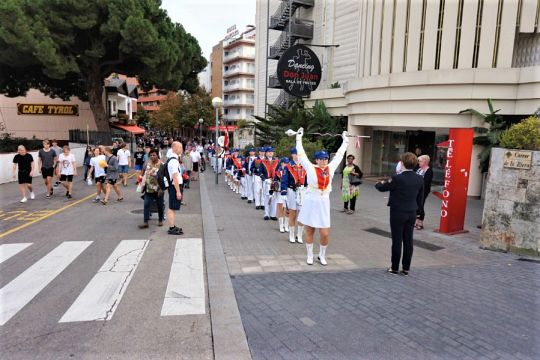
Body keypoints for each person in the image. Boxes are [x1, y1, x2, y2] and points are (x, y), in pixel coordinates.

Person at [295, 128, 348, 265]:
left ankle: (322, 255)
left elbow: (340, 155)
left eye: (325, 159)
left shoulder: (330, 167)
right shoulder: (310, 167)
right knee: (310, 231)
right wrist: (298, 138)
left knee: (324, 233)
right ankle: (309, 255)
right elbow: (301, 155)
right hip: (312, 201)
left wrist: (345, 140)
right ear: (316, 160)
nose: (324, 161)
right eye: (321, 159)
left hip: (324, 203)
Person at [375, 152, 424, 276]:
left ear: (402, 163)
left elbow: (382, 188)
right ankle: (406, 268)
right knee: (408, 240)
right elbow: (420, 198)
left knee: (397, 240)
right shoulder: (419, 179)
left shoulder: (397, 178)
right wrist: (419, 213)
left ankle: (394, 267)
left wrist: (379, 183)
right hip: (412, 212)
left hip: (398, 212)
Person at [284, 147, 307, 243]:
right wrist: (283, 192)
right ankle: (291, 234)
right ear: (292, 155)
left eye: (299, 154)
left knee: (302, 214)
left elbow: (307, 180)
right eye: (295, 154)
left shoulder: (304, 166)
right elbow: (284, 180)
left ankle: (299, 235)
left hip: (302, 191)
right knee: (292, 213)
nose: (297, 156)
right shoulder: (288, 166)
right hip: (292, 191)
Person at [138, 149, 165, 229]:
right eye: (151, 155)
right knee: (146, 204)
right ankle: (145, 222)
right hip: (148, 188)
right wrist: (140, 178)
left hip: (158, 189)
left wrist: (162, 187)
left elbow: (165, 176)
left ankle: (160, 220)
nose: (152, 157)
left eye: (154, 155)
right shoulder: (147, 163)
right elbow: (142, 172)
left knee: (160, 205)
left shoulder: (162, 165)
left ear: (157, 156)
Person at [166, 141, 184, 235]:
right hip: (174, 186)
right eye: (180, 147)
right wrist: (178, 191)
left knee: (172, 207)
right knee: (171, 207)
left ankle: (172, 226)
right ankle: (171, 228)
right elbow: (175, 177)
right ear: (175, 148)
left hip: (174, 186)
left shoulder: (174, 159)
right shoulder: (173, 161)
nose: (181, 149)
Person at [415, 155, 433, 230]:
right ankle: (416, 222)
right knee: (415, 205)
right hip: (416, 190)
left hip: (423, 191)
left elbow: (426, 183)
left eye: (420, 161)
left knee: (420, 205)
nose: (418, 162)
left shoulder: (429, 171)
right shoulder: (418, 169)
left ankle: (420, 223)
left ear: (425, 161)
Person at [260, 147, 279, 221]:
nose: (271, 153)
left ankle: (273, 214)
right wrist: (264, 179)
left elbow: (278, 171)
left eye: (272, 152)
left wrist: (276, 179)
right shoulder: (263, 161)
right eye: (269, 152)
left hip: (274, 181)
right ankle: (266, 214)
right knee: (267, 198)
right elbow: (260, 172)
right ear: (266, 153)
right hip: (266, 181)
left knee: (274, 198)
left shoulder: (277, 161)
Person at [275, 157, 289, 233]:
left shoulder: (289, 171)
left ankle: (286, 225)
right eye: (285, 163)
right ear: (281, 163)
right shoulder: (277, 172)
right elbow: (275, 181)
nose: (286, 164)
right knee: (281, 208)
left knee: (288, 209)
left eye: (287, 163)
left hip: (288, 192)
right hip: (280, 191)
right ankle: (281, 225)